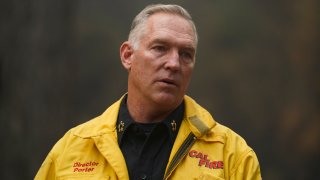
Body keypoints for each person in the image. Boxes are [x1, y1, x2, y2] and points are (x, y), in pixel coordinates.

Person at [35, 4, 261, 180]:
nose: (174, 63)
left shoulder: (233, 155)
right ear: (127, 56)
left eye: (186, 54)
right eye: (160, 48)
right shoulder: (72, 148)